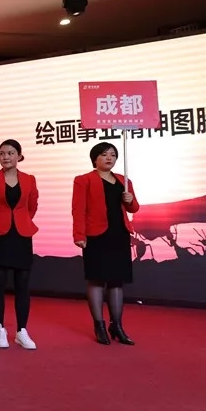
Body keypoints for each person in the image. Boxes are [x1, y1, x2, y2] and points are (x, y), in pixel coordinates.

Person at [72, 141, 139, 346]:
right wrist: (79, 235)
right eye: (104, 154)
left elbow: (134, 208)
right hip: (95, 236)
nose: (109, 158)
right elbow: (78, 210)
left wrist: (129, 199)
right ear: (95, 159)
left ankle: (116, 326)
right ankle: (99, 325)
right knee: (96, 280)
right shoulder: (83, 180)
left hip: (119, 234)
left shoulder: (123, 180)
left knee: (116, 281)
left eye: (113, 155)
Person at [0, 139, 39, 350]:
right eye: (2, 153)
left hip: (22, 236)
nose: (5, 157)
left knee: (23, 285)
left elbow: (32, 206)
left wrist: (22, 221)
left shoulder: (29, 179)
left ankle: (21, 331)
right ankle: (0, 328)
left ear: (19, 156)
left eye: (10, 153)